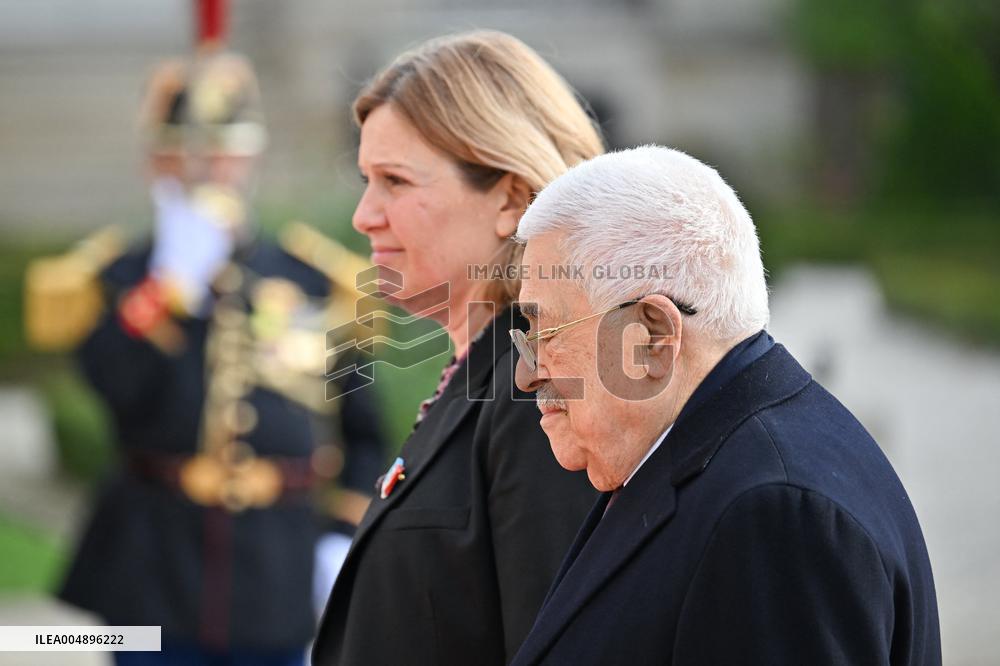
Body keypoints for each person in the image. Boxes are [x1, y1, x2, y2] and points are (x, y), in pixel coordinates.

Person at [509, 145, 941, 665]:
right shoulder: (712, 456)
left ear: (649, 336)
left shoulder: (773, 515)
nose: (527, 372)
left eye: (544, 331)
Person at [44, 51, 387, 665]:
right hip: (148, 573)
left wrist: (342, 536)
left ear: (251, 158)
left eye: (223, 150)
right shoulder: (121, 276)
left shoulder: (315, 279)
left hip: (277, 570)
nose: (206, 169)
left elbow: (363, 429)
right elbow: (111, 390)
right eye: (184, 151)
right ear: (154, 162)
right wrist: (168, 289)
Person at [311, 31, 602, 666]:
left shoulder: (539, 393)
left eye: (394, 181)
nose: (364, 215)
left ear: (511, 197)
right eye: (365, 179)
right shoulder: (487, 368)